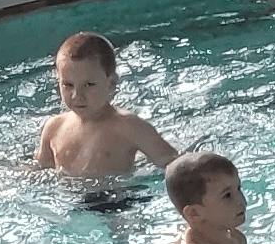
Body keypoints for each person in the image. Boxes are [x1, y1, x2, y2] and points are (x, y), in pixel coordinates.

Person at [35, 32, 178, 177]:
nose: (77, 95)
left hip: (116, 198)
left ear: (111, 84)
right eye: (68, 85)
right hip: (64, 198)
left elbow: (174, 164)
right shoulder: (54, 128)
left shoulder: (129, 126)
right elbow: (41, 171)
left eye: (89, 84)